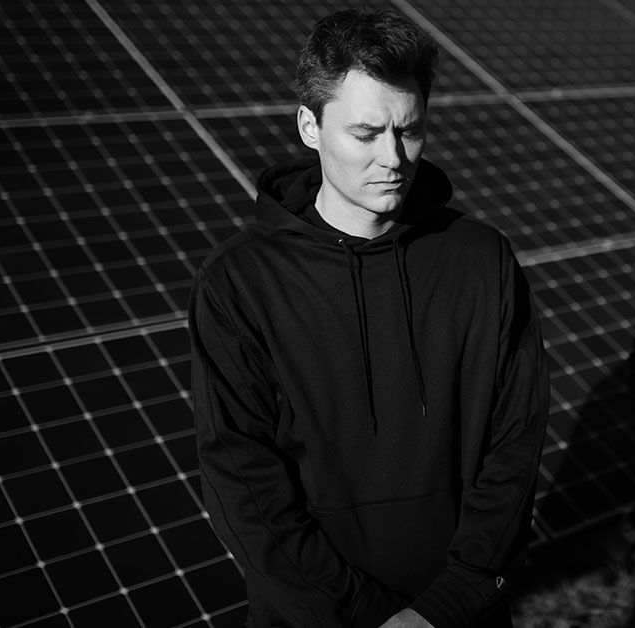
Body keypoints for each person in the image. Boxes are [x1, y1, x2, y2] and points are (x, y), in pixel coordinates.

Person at [189, 8, 548, 628]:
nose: (394, 158)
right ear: (310, 126)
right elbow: (242, 482)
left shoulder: (480, 260)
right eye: (365, 133)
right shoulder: (239, 283)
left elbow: (515, 443)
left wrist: (448, 603)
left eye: (410, 130)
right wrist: (364, 614)